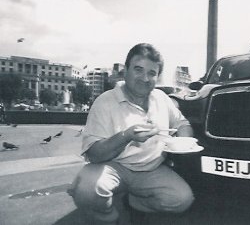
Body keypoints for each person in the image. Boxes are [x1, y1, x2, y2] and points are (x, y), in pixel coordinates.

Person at [69, 43, 195, 224]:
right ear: (125, 70)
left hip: (152, 168)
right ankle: (110, 219)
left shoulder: (161, 98)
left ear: (157, 77)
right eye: (138, 69)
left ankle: (135, 202)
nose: (145, 78)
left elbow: (183, 123)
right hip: (114, 167)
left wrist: (183, 141)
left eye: (152, 73)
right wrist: (126, 136)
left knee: (182, 200)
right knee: (87, 189)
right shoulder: (104, 102)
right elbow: (94, 155)